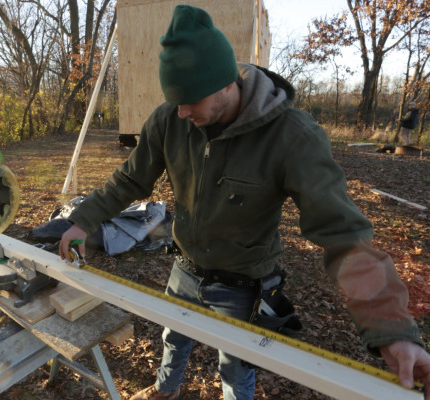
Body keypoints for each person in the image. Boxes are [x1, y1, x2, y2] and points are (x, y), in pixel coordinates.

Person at [59, 5, 430, 400]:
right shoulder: (170, 119)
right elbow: (129, 179)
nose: (182, 112)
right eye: (174, 100)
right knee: (174, 338)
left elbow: (344, 235)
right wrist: (83, 220)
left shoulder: (292, 137)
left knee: (236, 371)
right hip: (183, 269)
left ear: (225, 84)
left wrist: (391, 330)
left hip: (242, 284)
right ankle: (165, 391)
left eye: (190, 100)